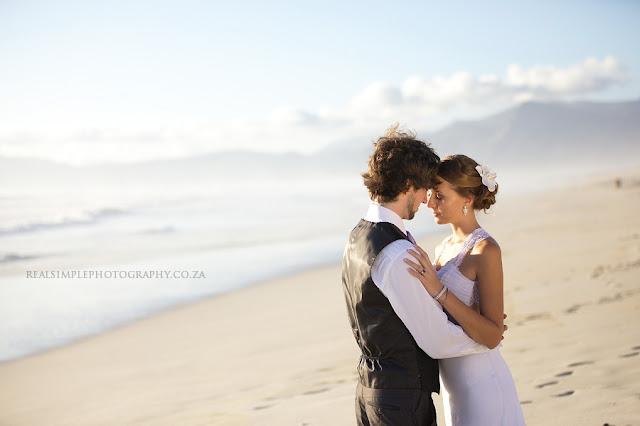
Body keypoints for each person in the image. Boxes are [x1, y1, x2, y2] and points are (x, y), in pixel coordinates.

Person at [341, 126, 505, 425]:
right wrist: (488, 337)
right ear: (407, 185)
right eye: (424, 189)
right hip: (400, 399)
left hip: (371, 392)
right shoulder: (396, 252)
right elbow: (438, 339)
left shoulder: (358, 236)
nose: (426, 200)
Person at [404, 154, 526, 425]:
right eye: (432, 195)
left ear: (467, 200)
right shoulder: (443, 248)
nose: (430, 203)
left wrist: (440, 292)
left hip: (483, 384)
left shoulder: (485, 250)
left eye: (440, 196)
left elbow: (493, 336)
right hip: (454, 386)